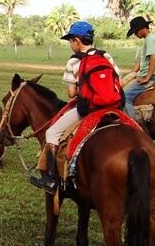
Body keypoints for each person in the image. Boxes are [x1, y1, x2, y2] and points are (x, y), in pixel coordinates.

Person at [30, 21, 122, 194]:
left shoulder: (73, 61)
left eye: (70, 41)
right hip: (114, 107)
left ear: (77, 41)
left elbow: (71, 93)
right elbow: (118, 81)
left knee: (52, 133)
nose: (70, 45)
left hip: (90, 109)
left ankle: (50, 178)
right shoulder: (106, 56)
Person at [123, 16, 155, 121]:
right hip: (146, 75)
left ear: (141, 29)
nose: (135, 35)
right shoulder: (149, 39)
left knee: (125, 97)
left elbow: (153, 58)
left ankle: (132, 125)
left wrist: (147, 77)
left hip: (150, 77)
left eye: (136, 32)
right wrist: (129, 75)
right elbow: (141, 62)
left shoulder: (149, 39)